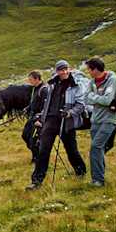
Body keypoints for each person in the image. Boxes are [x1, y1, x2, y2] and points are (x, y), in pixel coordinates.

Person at [27, 60, 87, 190]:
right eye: (61, 69)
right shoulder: (52, 84)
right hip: (50, 121)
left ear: (69, 69)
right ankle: (36, 181)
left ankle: (81, 172)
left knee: (71, 150)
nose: (64, 72)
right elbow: (47, 104)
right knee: (43, 150)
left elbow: (81, 105)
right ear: (57, 71)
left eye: (65, 69)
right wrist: (41, 118)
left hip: (66, 121)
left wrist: (70, 113)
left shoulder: (75, 85)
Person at [83, 56, 116, 187]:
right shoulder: (92, 81)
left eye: (89, 69)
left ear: (95, 69)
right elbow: (86, 98)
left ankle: (97, 180)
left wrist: (94, 97)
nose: (88, 72)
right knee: (98, 149)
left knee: (95, 147)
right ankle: (100, 177)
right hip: (96, 120)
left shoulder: (112, 79)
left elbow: (108, 100)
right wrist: (98, 98)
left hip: (109, 119)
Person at [22, 70, 48, 163]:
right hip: (32, 118)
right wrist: (27, 108)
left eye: (31, 79)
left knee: (34, 141)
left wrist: (40, 120)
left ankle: (37, 158)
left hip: (39, 120)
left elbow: (46, 107)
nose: (29, 81)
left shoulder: (44, 90)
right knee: (25, 135)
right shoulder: (35, 89)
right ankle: (36, 155)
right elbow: (34, 102)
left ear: (37, 79)